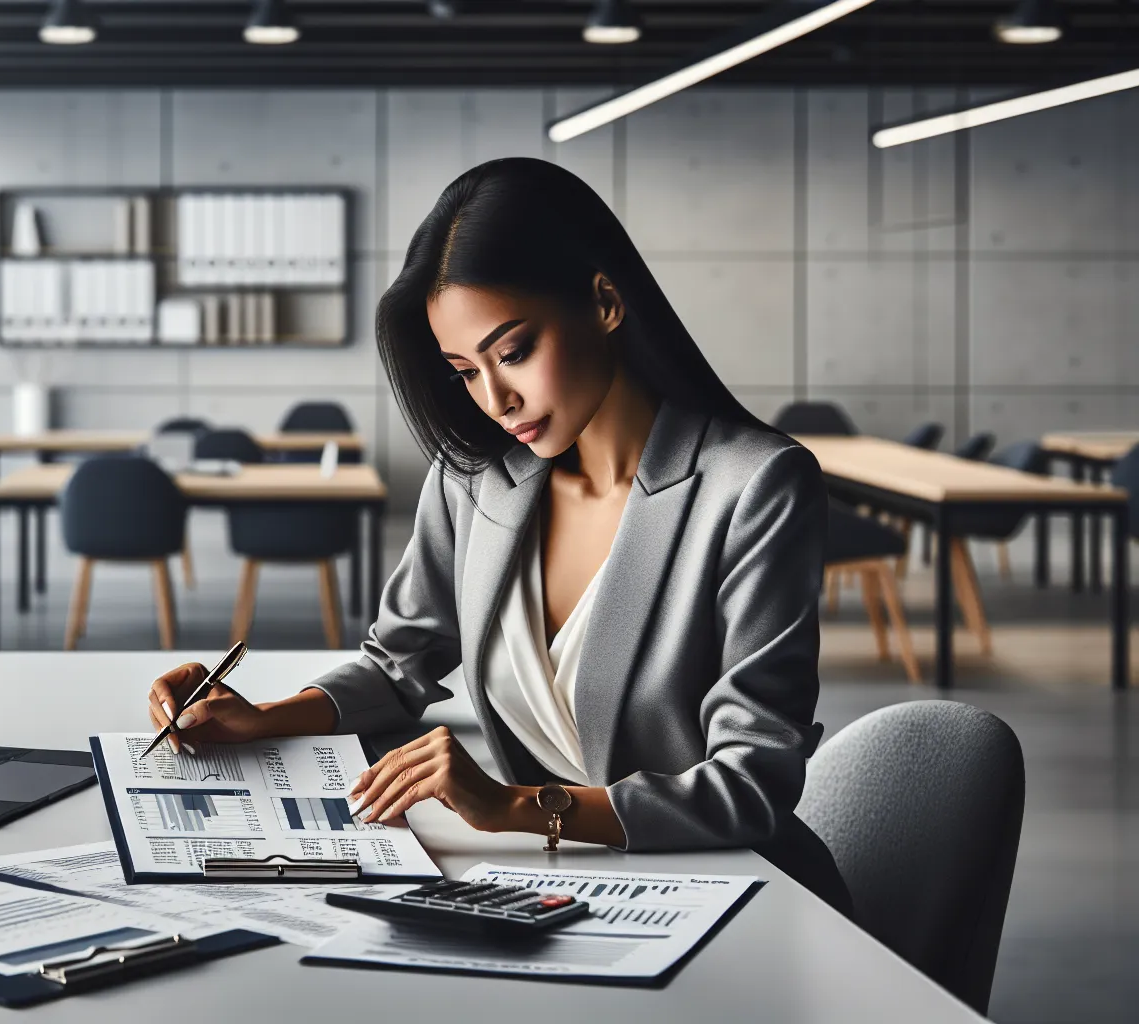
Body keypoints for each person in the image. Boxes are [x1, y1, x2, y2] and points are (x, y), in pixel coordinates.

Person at [146, 156, 851, 915]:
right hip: (565, 892)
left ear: (605, 301)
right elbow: (396, 667)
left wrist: (516, 807)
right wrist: (262, 719)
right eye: (464, 372)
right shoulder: (478, 478)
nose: (496, 399)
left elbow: (751, 787)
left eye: (513, 353)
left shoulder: (754, 485)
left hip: (738, 894)